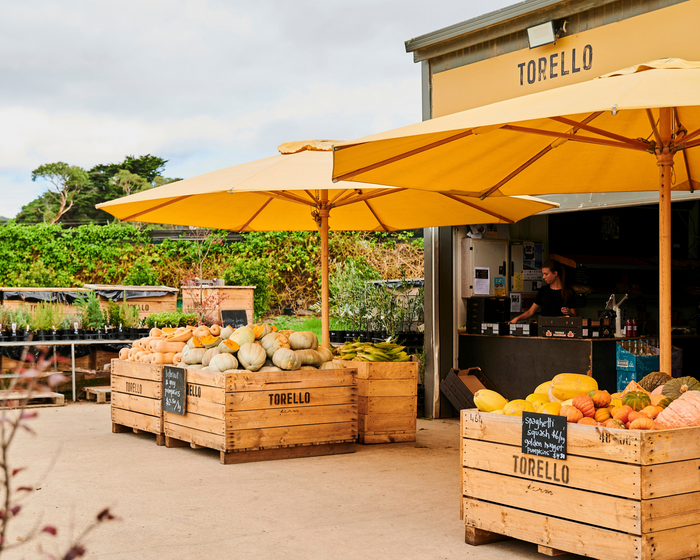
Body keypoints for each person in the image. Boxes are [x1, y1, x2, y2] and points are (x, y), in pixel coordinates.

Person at [510, 259, 576, 323]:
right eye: (543, 274)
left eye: (546, 274)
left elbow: (574, 315)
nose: (543, 277)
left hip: (562, 329)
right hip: (544, 328)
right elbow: (530, 312)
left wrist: (569, 313)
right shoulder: (543, 290)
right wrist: (517, 318)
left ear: (555, 273)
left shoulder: (568, 291)